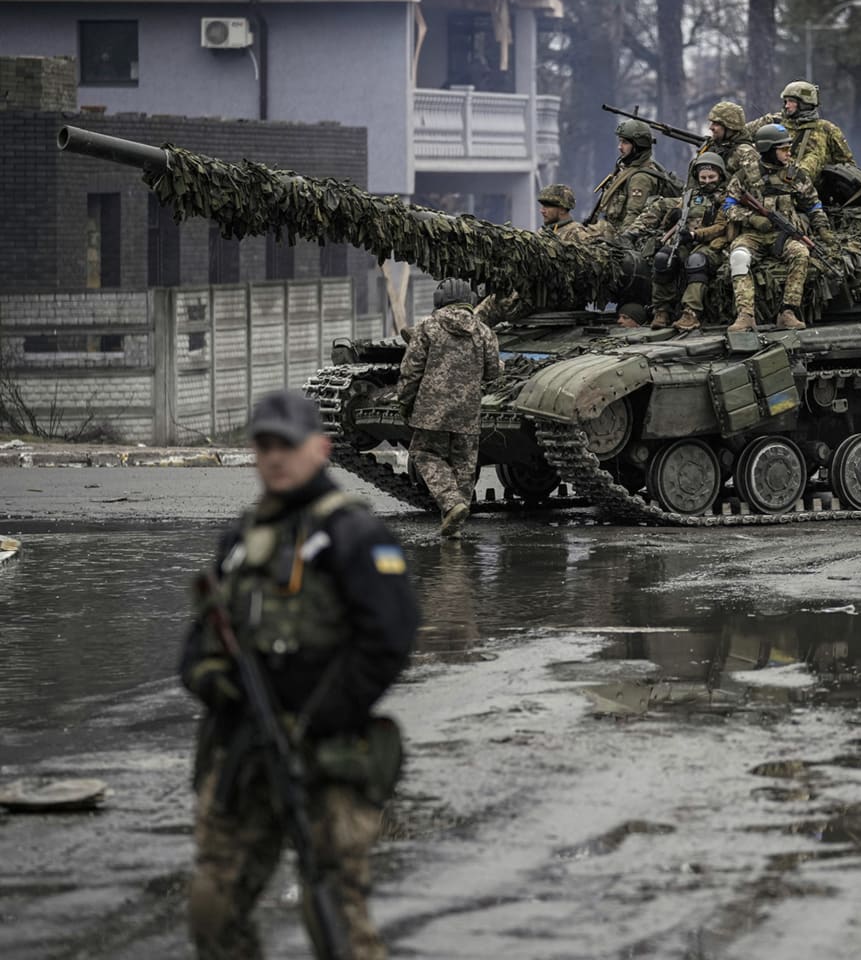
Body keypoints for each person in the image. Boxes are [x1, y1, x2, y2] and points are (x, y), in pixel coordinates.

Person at [179, 388, 421, 960]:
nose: (274, 458)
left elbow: (389, 640)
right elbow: (200, 641)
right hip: (245, 750)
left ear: (320, 448)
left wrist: (320, 714)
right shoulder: (242, 539)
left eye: (285, 445)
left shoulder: (353, 534)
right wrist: (217, 682)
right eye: (263, 446)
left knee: (335, 917)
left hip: (327, 753)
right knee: (213, 909)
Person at [398, 278, 500, 536]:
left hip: (431, 412)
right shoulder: (484, 331)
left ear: (440, 300)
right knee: (464, 465)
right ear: (470, 301)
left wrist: (404, 404)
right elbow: (491, 373)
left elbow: (410, 372)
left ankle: (451, 504)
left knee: (424, 453)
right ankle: (455, 521)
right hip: (467, 413)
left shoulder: (427, 328)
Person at [723, 123, 834, 332]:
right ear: (767, 149)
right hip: (753, 235)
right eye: (783, 149)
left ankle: (788, 312)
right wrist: (752, 219)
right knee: (738, 256)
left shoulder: (795, 174)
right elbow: (728, 206)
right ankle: (745, 315)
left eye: (788, 148)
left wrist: (822, 228)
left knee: (801, 253)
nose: (788, 153)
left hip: (783, 234)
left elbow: (812, 203)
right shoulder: (746, 174)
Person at [623, 152, 731, 334]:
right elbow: (672, 219)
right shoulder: (690, 196)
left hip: (711, 245)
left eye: (711, 177)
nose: (707, 181)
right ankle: (661, 310)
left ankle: (690, 312)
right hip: (684, 241)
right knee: (663, 259)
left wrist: (695, 234)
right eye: (703, 178)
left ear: (720, 176)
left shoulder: (725, 198)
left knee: (697, 261)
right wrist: (672, 217)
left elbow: (721, 227)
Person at [475, 185, 586, 325]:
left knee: (495, 303)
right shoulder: (545, 231)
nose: (542, 210)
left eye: (548, 206)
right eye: (542, 205)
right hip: (538, 291)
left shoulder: (577, 233)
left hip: (552, 297)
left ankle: (470, 332)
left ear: (563, 209)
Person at [747, 80, 855, 186]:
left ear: (804, 103)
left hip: (813, 192)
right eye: (785, 101)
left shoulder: (827, 130)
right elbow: (742, 134)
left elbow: (847, 167)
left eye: (791, 101)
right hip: (769, 185)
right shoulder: (773, 121)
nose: (786, 106)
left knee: (813, 157)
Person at [591, 119, 670, 232]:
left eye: (625, 142)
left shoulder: (640, 178)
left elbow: (633, 216)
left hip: (618, 236)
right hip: (609, 229)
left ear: (638, 146)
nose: (620, 147)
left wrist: (618, 242)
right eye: (620, 141)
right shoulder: (627, 169)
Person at [695, 100, 760, 183]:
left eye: (716, 124)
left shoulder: (745, 153)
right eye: (712, 123)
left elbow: (755, 187)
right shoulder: (714, 145)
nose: (711, 127)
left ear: (730, 127)